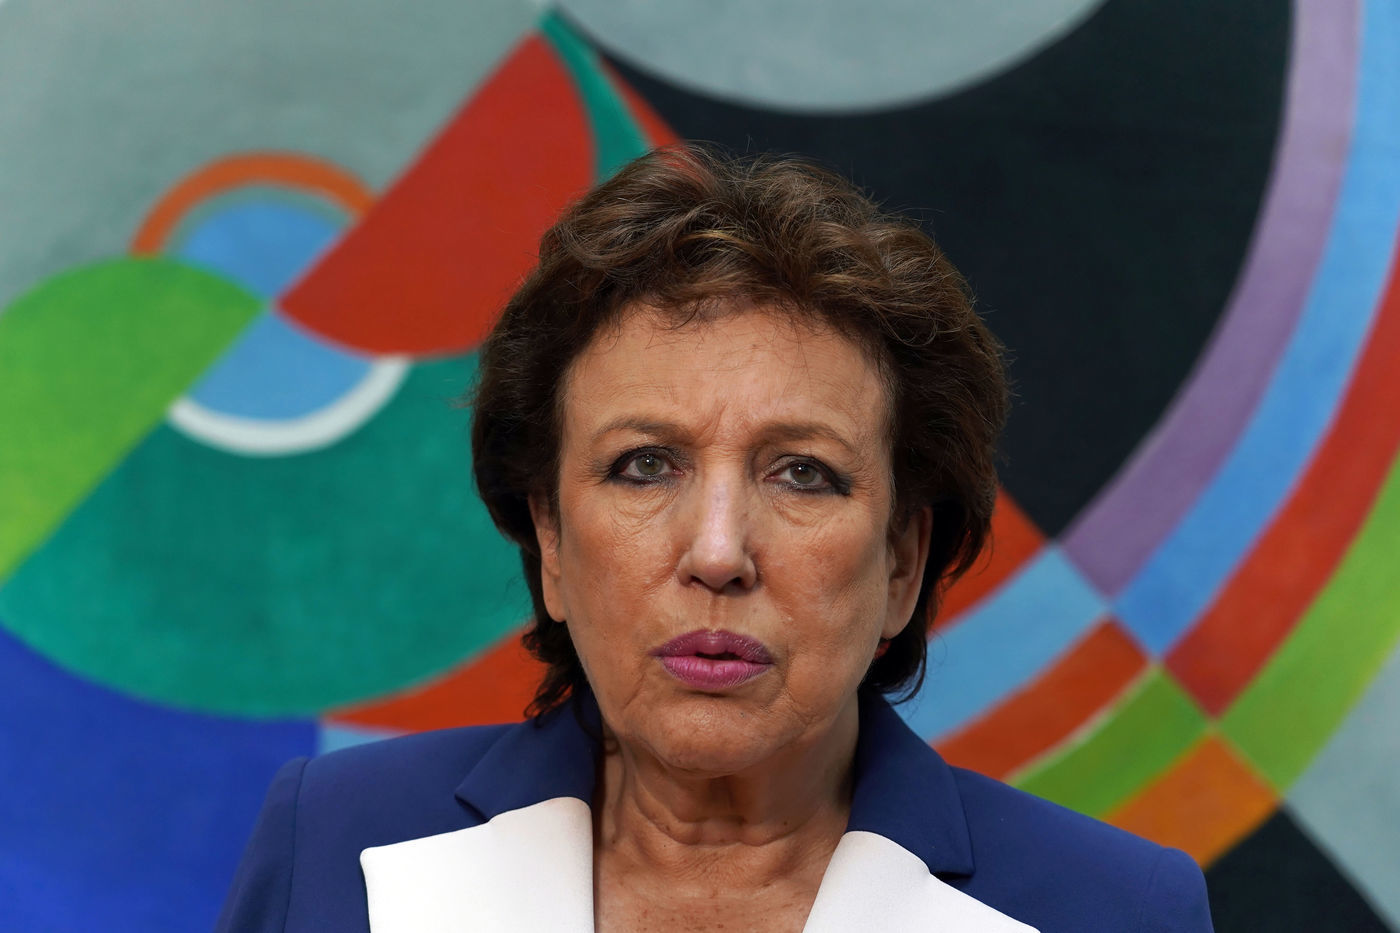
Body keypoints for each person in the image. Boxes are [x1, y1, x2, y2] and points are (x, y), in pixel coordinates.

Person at [216, 145, 1214, 932]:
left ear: (901, 562)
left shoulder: (1115, 911)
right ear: (551, 541)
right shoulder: (331, 840)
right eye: (644, 464)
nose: (718, 552)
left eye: (802, 473)